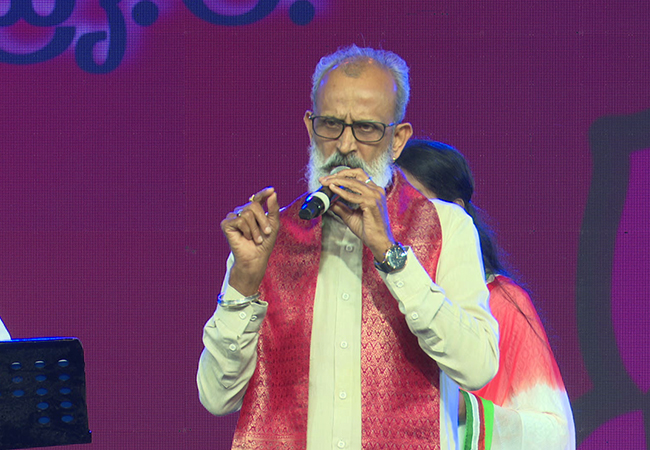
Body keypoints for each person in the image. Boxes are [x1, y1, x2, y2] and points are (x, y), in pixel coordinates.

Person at [196, 46, 500, 449]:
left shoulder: (446, 226)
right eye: (331, 124)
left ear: (397, 140)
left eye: (367, 129)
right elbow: (216, 397)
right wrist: (244, 283)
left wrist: (390, 253)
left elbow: (478, 368)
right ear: (310, 128)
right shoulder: (267, 238)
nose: (345, 145)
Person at [396, 139, 576, 450]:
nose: (400, 218)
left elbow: (555, 434)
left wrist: (466, 410)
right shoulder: (380, 296)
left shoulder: (502, 303)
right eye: (395, 205)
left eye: (415, 203)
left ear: (455, 212)